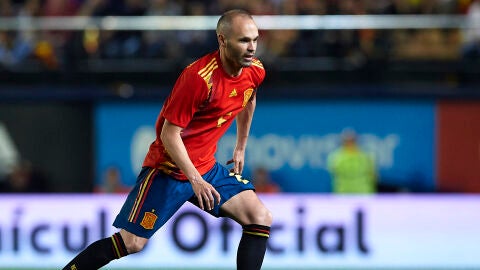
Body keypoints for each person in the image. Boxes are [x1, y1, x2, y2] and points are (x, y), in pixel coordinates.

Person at [62, 9, 272, 270]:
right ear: (222, 40)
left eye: (255, 39)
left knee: (259, 216)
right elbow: (168, 134)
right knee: (132, 243)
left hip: (206, 168)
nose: (252, 47)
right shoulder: (198, 79)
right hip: (168, 170)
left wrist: (241, 146)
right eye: (243, 40)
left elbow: (249, 98)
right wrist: (195, 180)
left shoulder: (255, 71)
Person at [327, 128, 377, 194]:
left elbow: (373, 176)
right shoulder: (335, 157)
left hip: (363, 193)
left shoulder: (366, 156)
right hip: (343, 193)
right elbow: (333, 174)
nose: (349, 143)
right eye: (347, 141)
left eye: (351, 140)